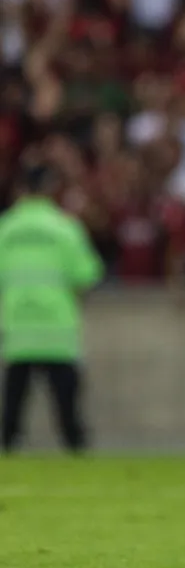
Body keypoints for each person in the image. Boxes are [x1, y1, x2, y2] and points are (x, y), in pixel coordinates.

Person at [0, 164, 104, 453]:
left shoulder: (5, 228)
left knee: (12, 412)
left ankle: (8, 454)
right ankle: (76, 455)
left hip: (18, 327)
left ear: (22, 190)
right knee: (68, 412)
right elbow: (87, 276)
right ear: (50, 189)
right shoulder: (65, 228)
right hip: (57, 328)